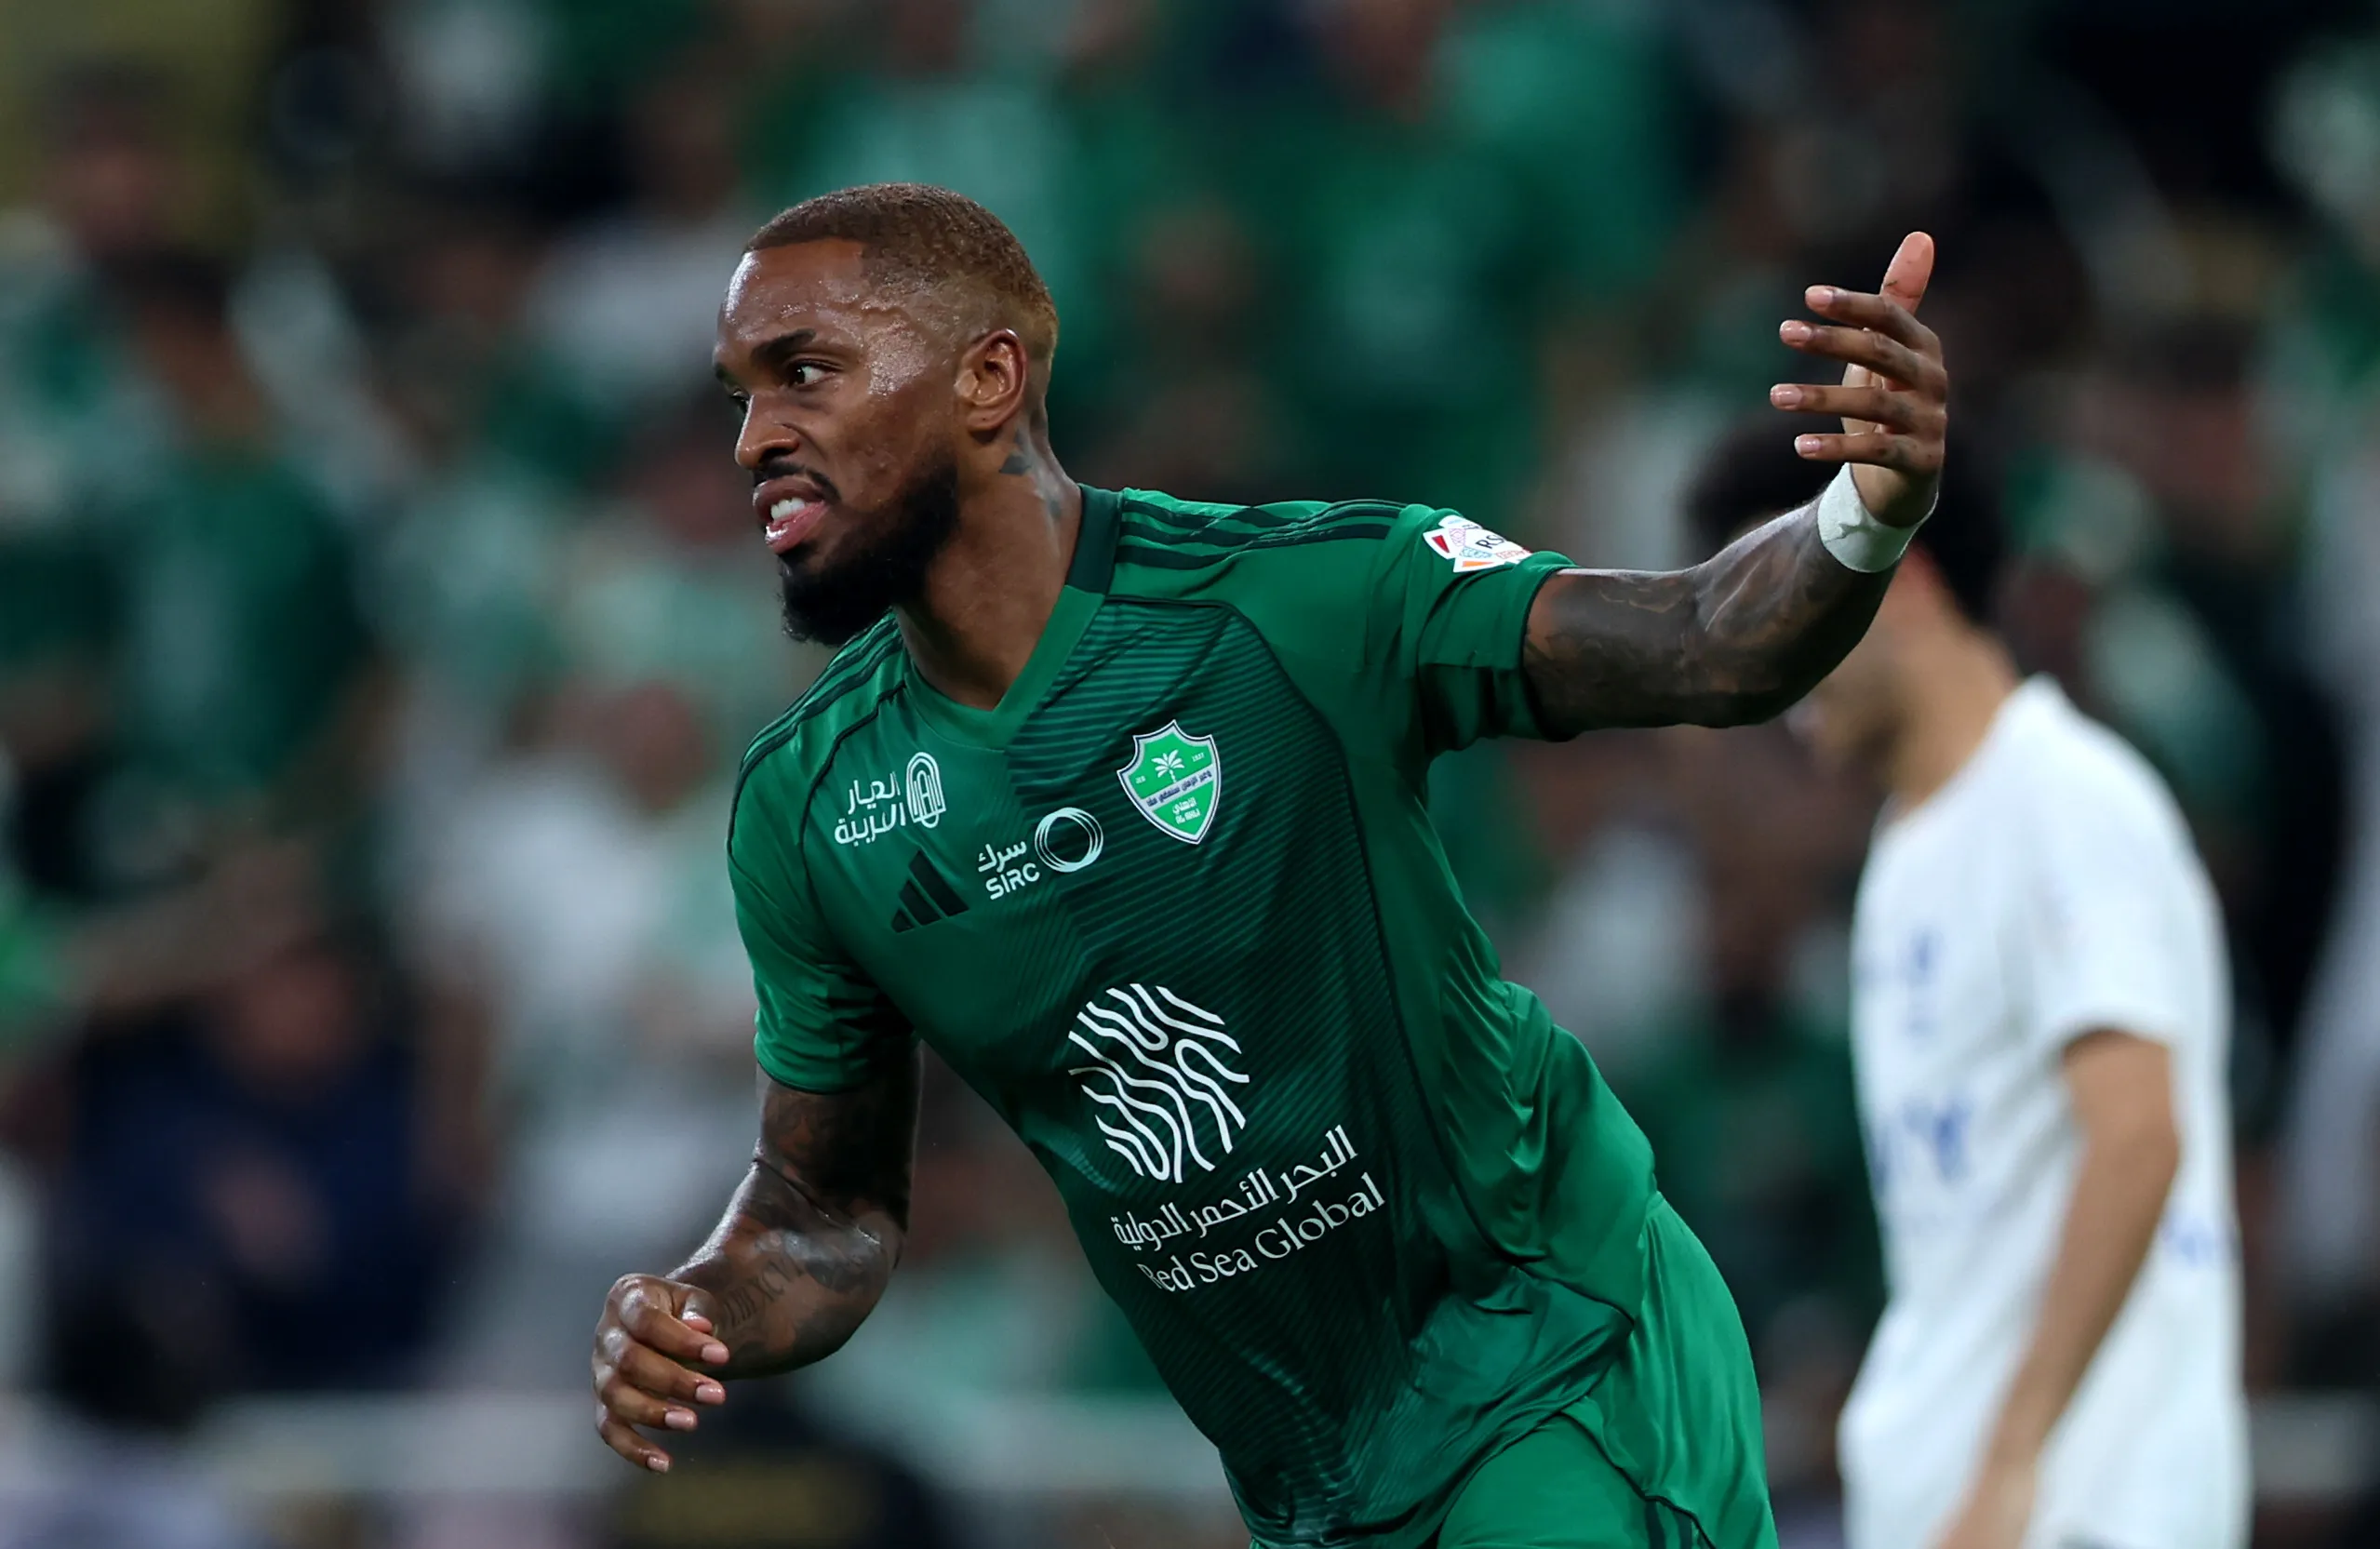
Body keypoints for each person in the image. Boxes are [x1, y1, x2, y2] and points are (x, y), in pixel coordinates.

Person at [590, 182, 1951, 1549]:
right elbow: (826, 1206)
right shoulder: (811, 805)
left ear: (987, 378)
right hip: (1316, 1482)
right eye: (739, 397)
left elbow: (1702, 636)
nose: (757, 438)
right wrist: (705, 1304)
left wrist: (1861, 513)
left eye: (803, 374)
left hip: (1553, 1353)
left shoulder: (1292, 603)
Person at [1745, 434, 2247, 1549]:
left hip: (2076, 1506)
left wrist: (2011, 1466)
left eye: (1790, 604)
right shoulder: (1903, 851)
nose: (1764, 656)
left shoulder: (2062, 799)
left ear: (1905, 581)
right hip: (1954, 1501)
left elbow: (2135, 1138)